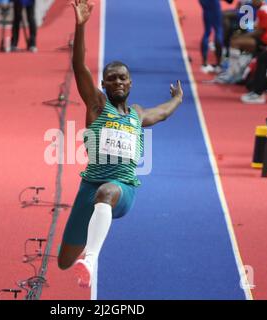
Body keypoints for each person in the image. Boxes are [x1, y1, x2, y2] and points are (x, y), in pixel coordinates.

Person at [57, 0, 184, 288]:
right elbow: (79, 67)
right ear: (103, 83)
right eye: (111, 78)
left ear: (130, 83)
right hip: (89, 187)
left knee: (107, 191)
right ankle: (80, 258)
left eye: (122, 78)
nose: (117, 82)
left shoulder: (137, 114)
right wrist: (80, 25)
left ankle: (90, 260)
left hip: (122, 189)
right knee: (64, 261)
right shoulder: (98, 105)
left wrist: (177, 99)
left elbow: (161, 113)